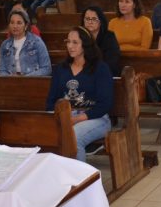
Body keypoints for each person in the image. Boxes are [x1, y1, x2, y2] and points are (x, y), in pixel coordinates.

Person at [46, 28, 114, 162]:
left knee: (74, 137)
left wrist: (76, 119)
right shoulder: (61, 69)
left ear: (86, 45)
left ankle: (80, 180)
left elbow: (105, 104)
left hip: (95, 118)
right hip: (66, 116)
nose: (70, 46)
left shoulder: (100, 68)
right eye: (68, 42)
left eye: (75, 42)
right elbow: (51, 100)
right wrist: (58, 118)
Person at [0, 10, 50, 77]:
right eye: (12, 22)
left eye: (19, 23)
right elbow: (1, 70)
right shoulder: (5, 45)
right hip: (11, 83)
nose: (15, 26)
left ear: (26, 26)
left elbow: (46, 69)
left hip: (32, 82)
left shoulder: (37, 42)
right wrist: (11, 78)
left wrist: (25, 78)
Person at [82, 6, 121, 75]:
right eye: (87, 19)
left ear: (100, 21)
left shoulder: (109, 37)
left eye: (94, 19)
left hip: (105, 74)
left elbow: (111, 62)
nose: (90, 22)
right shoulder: (80, 36)